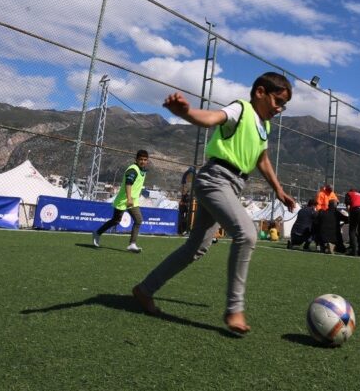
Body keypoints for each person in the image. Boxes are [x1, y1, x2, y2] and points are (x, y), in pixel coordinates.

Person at [132, 73, 296, 334]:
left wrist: (279, 189)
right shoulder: (240, 109)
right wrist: (186, 112)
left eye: (283, 105)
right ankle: (235, 310)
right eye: (277, 101)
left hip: (232, 185)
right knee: (247, 234)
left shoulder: (265, 127)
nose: (279, 109)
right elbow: (210, 118)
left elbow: (262, 158)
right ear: (260, 93)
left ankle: (145, 289)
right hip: (214, 179)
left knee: (195, 248)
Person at [93, 149, 149, 252]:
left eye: (145, 159)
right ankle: (97, 233)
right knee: (116, 221)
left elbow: (137, 185)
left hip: (133, 200)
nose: (143, 161)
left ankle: (132, 244)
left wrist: (135, 196)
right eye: (141, 159)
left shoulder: (143, 170)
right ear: (136, 159)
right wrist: (129, 199)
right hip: (124, 200)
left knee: (138, 220)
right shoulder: (133, 170)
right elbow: (128, 184)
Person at [345, 187, 360, 256]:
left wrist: (350, 215)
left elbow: (348, 206)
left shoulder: (349, 194)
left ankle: (354, 251)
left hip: (356, 210)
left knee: (352, 230)